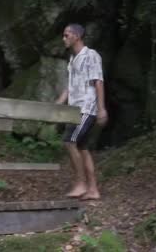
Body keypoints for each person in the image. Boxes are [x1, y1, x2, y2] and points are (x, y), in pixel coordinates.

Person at [56, 23, 107, 201]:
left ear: (77, 36)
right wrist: (56, 105)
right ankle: (93, 189)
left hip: (87, 107)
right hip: (74, 109)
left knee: (70, 142)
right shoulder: (72, 60)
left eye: (66, 35)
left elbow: (98, 82)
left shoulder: (91, 55)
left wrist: (101, 109)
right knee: (83, 148)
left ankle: (81, 183)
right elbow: (69, 88)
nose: (64, 39)